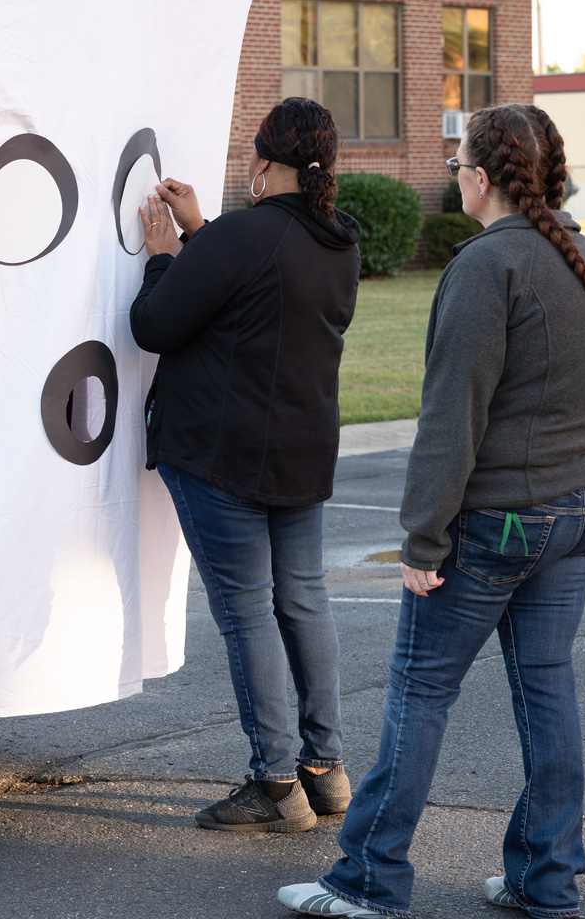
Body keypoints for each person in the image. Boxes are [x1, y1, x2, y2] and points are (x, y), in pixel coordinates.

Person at [279, 103, 585, 918]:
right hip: (583, 509)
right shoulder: (580, 250)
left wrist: (423, 540)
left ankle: (368, 882)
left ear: (478, 180)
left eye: (455, 169)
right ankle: (545, 880)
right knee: (547, 689)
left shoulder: (487, 265)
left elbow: (451, 418)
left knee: (419, 694)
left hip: (506, 521)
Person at [129, 97, 361, 833]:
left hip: (224, 455)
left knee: (247, 613)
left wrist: (164, 255)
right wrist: (201, 233)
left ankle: (274, 784)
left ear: (263, 161)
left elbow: (153, 324)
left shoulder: (243, 234)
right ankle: (324, 770)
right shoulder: (340, 240)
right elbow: (263, 288)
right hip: (302, 451)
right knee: (303, 602)